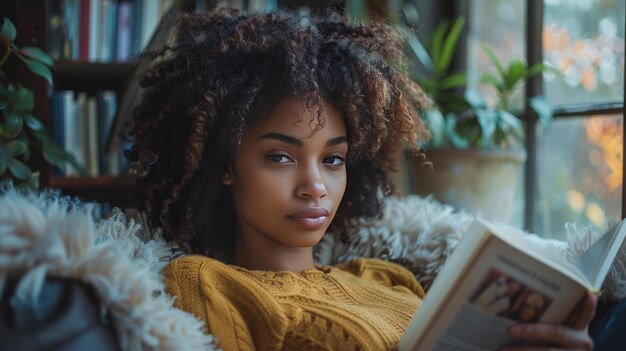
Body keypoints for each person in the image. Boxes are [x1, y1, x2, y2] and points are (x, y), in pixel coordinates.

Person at [124, 8, 596, 351]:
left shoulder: (387, 278)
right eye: (281, 157)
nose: (315, 186)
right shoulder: (205, 283)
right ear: (224, 165)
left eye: (333, 160)